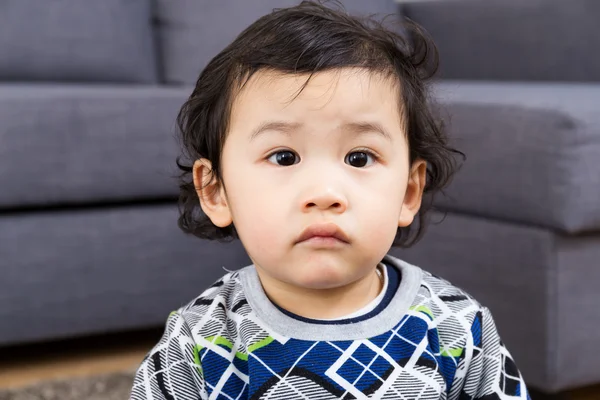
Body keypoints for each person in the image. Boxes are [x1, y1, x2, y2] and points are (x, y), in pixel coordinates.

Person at [131, 1, 530, 399]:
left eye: (359, 158)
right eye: (283, 157)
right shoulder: (198, 342)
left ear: (409, 192)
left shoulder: (456, 326)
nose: (324, 194)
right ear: (216, 192)